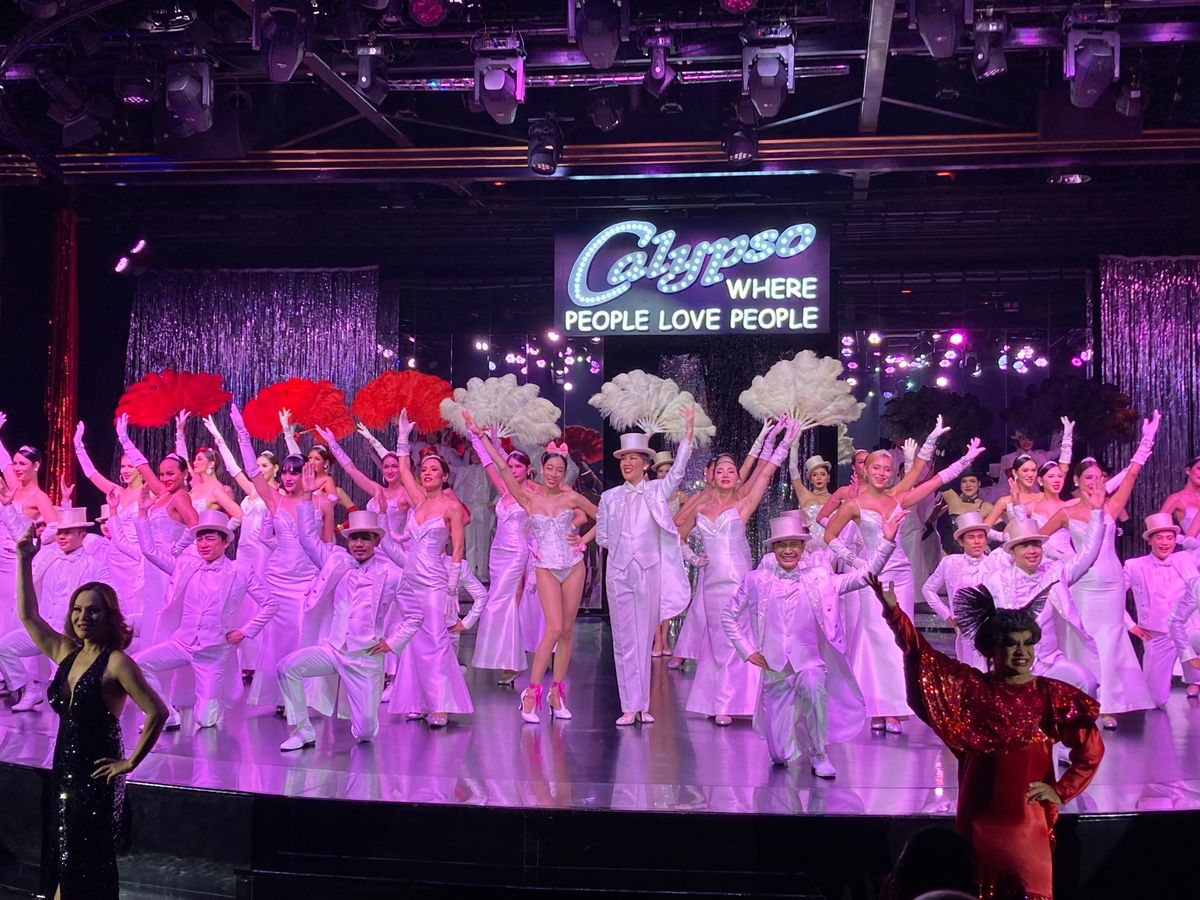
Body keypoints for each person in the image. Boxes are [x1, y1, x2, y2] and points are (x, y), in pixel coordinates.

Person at [872, 572, 1103, 900]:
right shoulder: (971, 690)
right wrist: (894, 613)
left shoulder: (1051, 695)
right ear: (990, 649)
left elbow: (1090, 749)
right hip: (977, 821)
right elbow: (921, 653)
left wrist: (1061, 790)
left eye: (1027, 642)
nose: (1021, 651)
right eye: (1010, 643)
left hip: (1026, 825)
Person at [13, 524, 167, 900]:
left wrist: (129, 763)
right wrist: (24, 560)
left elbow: (157, 712)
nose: (83, 617)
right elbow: (29, 616)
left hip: (96, 779)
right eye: (78, 610)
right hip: (64, 771)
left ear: (108, 616)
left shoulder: (117, 663)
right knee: (63, 859)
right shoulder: (67, 653)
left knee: (82, 864)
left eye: (93, 611)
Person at [824, 425, 984, 733]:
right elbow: (830, 535)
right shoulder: (854, 505)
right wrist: (857, 563)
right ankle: (875, 706)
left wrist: (962, 459)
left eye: (887, 469)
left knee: (899, 638)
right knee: (876, 637)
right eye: (877, 468)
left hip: (901, 576)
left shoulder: (898, 499)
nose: (882, 473)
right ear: (865, 470)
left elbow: (932, 479)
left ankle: (895, 708)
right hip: (872, 578)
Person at [722, 509, 902, 776]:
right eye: (781, 545)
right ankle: (791, 740)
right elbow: (728, 615)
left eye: (793, 544)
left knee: (814, 687)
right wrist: (747, 650)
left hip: (809, 662)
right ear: (773, 548)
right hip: (775, 668)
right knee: (780, 755)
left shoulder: (820, 578)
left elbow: (864, 575)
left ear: (803, 546)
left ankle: (819, 752)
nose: (788, 551)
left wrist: (886, 542)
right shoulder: (756, 580)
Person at [464, 411, 597, 724]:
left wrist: (583, 539)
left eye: (559, 470)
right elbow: (501, 467)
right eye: (550, 468)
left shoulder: (571, 497)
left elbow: (602, 516)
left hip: (573, 565)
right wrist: (481, 437)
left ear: (564, 473)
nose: (554, 474)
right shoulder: (528, 499)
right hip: (545, 567)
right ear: (542, 468)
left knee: (567, 632)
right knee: (553, 628)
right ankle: (531, 692)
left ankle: (556, 694)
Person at [1040, 412, 1160, 728]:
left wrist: (1146, 441)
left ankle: (1108, 704)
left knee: (1110, 639)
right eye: (1088, 478)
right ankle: (1081, 697)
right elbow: (1037, 540)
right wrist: (1055, 558)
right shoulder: (1065, 512)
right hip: (1083, 584)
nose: (1094, 482)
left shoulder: (1112, 507)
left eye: (1099, 477)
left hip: (1111, 583)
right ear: (1077, 481)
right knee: (1084, 638)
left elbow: (1132, 475)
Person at [680, 417, 796, 727]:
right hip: (711, 582)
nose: (727, 474)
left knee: (739, 635)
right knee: (717, 639)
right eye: (721, 470)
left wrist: (783, 443)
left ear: (736, 477)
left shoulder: (742, 506)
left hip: (738, 579)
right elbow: (677, 534)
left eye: (731, 471)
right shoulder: (700, 508)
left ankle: (728, 702)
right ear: (712, 475)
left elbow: (765, 473)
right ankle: (719, 700)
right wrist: (693, 557)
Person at [279, 503, 421, 748]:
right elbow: (308, 539)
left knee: (365, 731)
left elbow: (415, 615)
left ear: (376, 541)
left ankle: (364, 727)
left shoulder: (393, 574)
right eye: (354, 538)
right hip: (333, 649)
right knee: (286, 667)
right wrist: (307, 498)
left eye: (365, 538)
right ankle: (303, 730)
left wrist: (391, 643)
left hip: (365, 657)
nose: (359, 544)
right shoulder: (337, 564)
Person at [131, 504, 277, 730]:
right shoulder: (185, 566)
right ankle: (164, 713)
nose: (203, 544)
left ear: (225, 542)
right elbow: (150, 551)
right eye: (200, 539)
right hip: (182, 643)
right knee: (136, 664)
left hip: (213, 652)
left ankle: (208, 708)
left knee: (205, 720)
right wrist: (142, 513)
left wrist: (244, 632)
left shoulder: (240, 571)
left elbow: (270, 604)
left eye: (210, 539)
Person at [597, 407, 699, 726]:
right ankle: (629, 706)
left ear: (645, 464)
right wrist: (621, 549)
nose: (627, 463)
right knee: (624, 640)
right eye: (623, 458)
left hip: (648, 570)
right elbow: (601, 535)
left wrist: (687, 436)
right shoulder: (609, 497)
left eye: (633, 458)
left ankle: (643, 704)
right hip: (618, 573)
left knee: (644, 639)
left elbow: (678, 473)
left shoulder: (657, 491)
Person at [228, 404, 333, 712]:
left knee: (303, 637)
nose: (287, 477)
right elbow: (252, 473)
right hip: (278, 579)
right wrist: (242, 434)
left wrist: (328, 580)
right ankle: (279, 697)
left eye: (293, 472)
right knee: (277, 640)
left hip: (307, 580)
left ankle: (301, 697)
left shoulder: (323, 504)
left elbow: (327, 546)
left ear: (306, 473)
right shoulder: (274, 500)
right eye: (284, 472)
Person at [386, 411, 473, 728]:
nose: (427, 473)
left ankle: (440, 703)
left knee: (436, 639)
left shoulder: (452, 507)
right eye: (424, 469)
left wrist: (451, 588)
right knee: (413, 641)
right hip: (410, 581)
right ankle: (416, 701)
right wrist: (402, 437)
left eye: (434, 469)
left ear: (445, 476)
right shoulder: (418, 501)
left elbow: (458, 549)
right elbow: (403, 469)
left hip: (435, 582)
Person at [0, 497, 112, 712]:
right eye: (59, 532)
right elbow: (22, 537)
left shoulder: (95, 565)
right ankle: (28, 689)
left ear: (82, 535)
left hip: (69, 636)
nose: (61, 537)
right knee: (4, 647)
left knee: (70, 697)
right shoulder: (46, 556)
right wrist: (6, 507)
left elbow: (111, 598)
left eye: (67, 533)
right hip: (43, 629)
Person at [464, 429, 535, 686]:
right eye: (511, 466)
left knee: (503, 603)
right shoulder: (504, 489)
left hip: (517, 552)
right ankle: (503, 658)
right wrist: (476, 437)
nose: (513, 470)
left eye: (518, 467)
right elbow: (487, 462)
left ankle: (511, 661)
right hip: (497, 552)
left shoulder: (531, 494)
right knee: (498, 601)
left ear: (528, 470)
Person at [73, 422, 148, 628]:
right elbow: (92, 474)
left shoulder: (148, 493)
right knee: (112, 603)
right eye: (122, 466)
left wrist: (125, 439)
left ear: (140, 468)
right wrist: (78, 446)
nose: (125, 470)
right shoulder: (117, 492)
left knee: (133, 609)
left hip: (136, 557)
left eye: (130, 466)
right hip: (114, 556)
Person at [1124, 513, 1200, 704]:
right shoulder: (1134, 566)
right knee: (1155, 699)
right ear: (1149, 540)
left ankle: (1195, 680)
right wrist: (1130, 624)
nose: (1165, 543)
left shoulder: (1187, 558)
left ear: (1175, 540)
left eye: (1169, 538)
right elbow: (1112, 597)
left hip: (1188, 631)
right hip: (1158, 636)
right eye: (1159, 538)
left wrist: (1187, 540)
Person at [0, 418, 58, 650]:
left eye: (22, 463)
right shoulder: (13, 489)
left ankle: (15, 658)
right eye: (15, 463)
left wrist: (35, 543)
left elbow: (54, 526)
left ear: (36, 466)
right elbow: (4, 464)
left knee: (14, 611)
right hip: (1, 555)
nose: (17, 468)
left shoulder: (39, 497)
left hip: (17, 560)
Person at [921, 511, 993, 671]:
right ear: (961, 541)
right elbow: (928, 589)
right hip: (964, 631)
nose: (977, 542)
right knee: (969, 671)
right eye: (971, 537)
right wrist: (947, 615)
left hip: (990, 630)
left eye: (981, 537)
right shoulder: (949, 563)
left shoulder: (994, 564)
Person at [1159, 453, 1200, 533]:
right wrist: (1180, 538)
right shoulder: (1176, 498)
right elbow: (1158, 526)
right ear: (1188, 471)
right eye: (1199, 468)